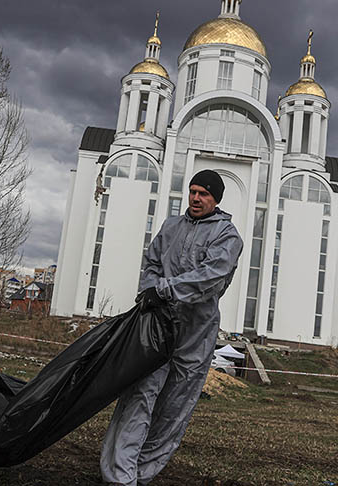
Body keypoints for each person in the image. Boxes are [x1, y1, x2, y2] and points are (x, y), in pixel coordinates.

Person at [100, 169, 243, 486]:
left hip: (194, 336)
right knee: (139, 395)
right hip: (156, 327)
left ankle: (141, 474)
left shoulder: (227, 236)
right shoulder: (170, 226)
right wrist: (151, 291)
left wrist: (162, 290)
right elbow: (151, 262)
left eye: (203, 193)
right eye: (192, 191)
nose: (195, 198)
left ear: (215, 199)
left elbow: (211, 277)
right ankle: (119, 476)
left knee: (173, 409)